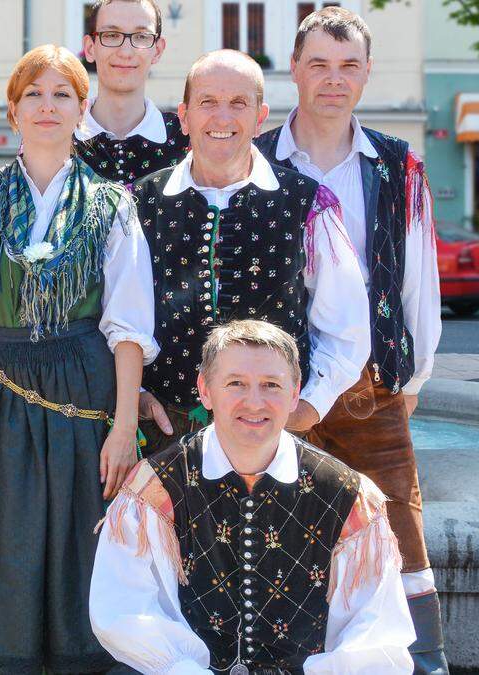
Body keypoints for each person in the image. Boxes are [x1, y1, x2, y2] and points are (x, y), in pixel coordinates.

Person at [0, 44, 156, 673]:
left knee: (80, 546)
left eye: (61, 94)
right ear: (12, 111)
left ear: (82, 109)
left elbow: (128, 327)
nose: (47, 107)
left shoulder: (112, 203)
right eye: (33, 95)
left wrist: (124, 428)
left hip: (83, 393)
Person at [252, 8, 446, 672]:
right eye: (319, 65)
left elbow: (420, 279)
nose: (333, 81)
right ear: (295, 70)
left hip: (372, 391)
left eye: (348, 67)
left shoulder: (397, 165)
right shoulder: (258, 161)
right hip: (280, 388)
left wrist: (409, 380)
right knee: (284, 537)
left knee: (400, 537)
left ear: (365, 74)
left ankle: (424, 663)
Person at [91, 319, 415, 674]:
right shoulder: (155, 488)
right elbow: (124, 610)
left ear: (295, 395)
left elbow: (376, 634)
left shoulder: (348, 496)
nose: (254, 402)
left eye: (271, 385)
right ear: (205, 390)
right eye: (236, 384)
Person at [134, 50, 370, 457]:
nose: (222, 118)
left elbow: (346, 325)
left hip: (273, 440)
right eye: (208, 102)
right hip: (163, 436)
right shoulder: (139, 203)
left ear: (260, 117)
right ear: (184, 116)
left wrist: (308, 409)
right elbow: (113, 316)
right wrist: (135, 394)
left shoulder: (308, 203)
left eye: (238, 103)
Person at [74, 0, 189, 185]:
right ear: (90, 48)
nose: (126, 52)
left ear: (158, 50)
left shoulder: (187, 140)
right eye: (111, 35)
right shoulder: (59, 133)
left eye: (141, 36)